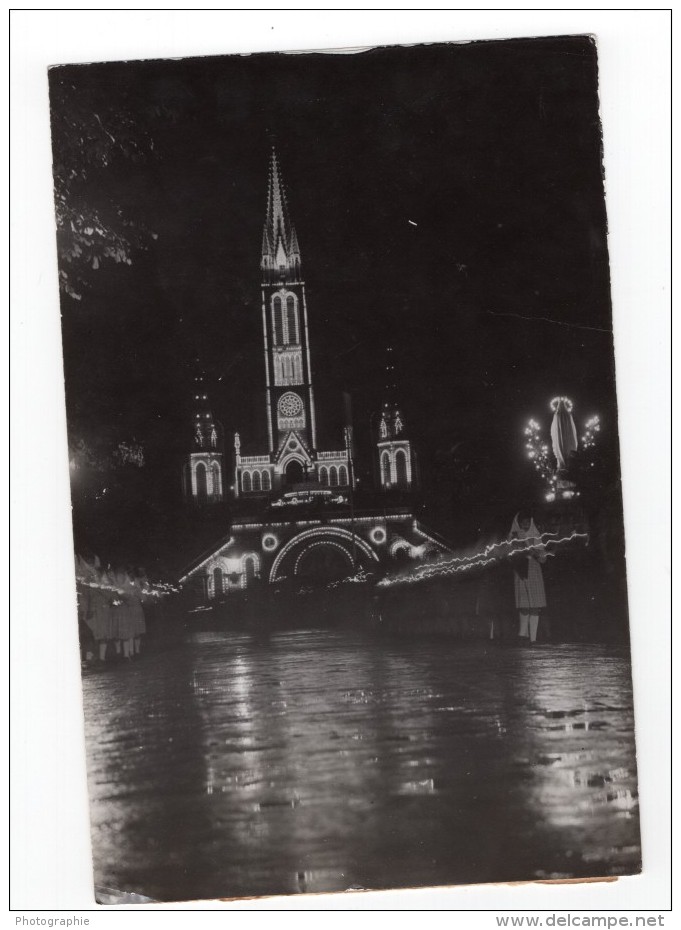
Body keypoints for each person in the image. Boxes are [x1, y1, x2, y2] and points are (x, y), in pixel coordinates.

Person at [509, 511, 548, 644]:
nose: (525, 525)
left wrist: (536, 553)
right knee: (524, 605)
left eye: (528, 522)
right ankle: (522, 635)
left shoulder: (535, 536)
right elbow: (511, 554)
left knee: (535, 605)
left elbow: (543, 559)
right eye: (522, 523)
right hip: (520, 571)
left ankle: (533, 639)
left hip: (534, 571)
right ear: (518, 523)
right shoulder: (513, 536)